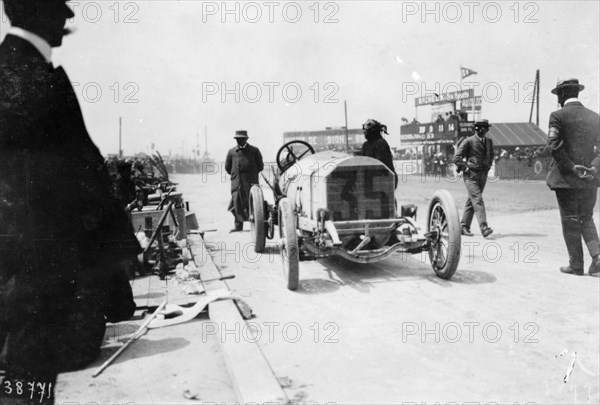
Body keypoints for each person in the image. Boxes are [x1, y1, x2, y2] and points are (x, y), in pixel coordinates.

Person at [0, 1, 139, 402]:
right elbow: (80, 173)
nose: (68, 18)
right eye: (58, 10)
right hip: (37, 265)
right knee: (30, 375)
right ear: (38, 14)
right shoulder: (35, 77)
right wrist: (114, 254)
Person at [546, 78, 600, 276]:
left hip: (566, 179)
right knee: (586, 217)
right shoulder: (595, 117)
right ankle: (598, 257)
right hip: (590, 180)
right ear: (577, 93)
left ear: (561, 95)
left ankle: (576, 264)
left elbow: (553, 144)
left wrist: (570, 167)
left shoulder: (557, 116)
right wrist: (593, 168)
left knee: (570, 219)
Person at [452, 119, 495, 237]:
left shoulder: (489, 142)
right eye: (480, 127)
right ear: (476, 128)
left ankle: (464, 226)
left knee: (472, 200)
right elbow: (456, 158)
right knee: (478, 199)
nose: (482, 130)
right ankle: (484, 227)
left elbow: (491, 154)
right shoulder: (468, 141)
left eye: (484, 128)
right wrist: (465, 168)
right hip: (470, 175)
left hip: (482, 175)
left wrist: (488, 165)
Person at [225, 130, 264, 232]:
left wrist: (250, 174)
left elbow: (260, 166)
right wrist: (236, 175)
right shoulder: (232, 151)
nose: (239, 141)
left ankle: (256, 225)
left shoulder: (254, 150)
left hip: (250, 181)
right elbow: (227, 167)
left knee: (252, 202)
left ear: (246, 139)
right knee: (236, 202)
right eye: (237, 139)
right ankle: (238, 226)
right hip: (237, 182)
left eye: (242, 139)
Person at [361, 119, 398, 188]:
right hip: (375, 178)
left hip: (385, 177)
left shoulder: (381, 143)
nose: (365, 133)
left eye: (366, 131)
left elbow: (378, 164)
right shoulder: (365, 145)